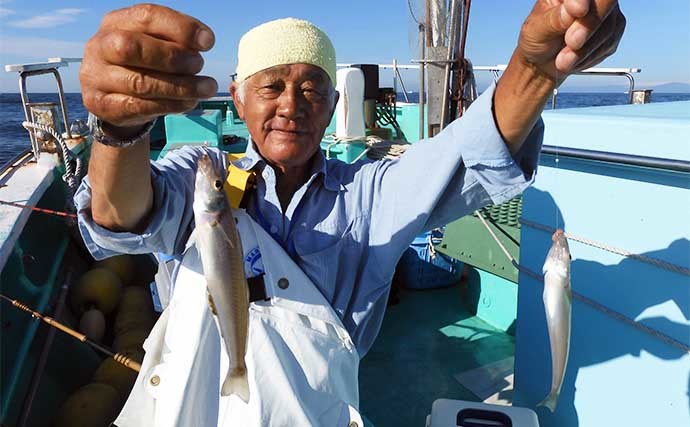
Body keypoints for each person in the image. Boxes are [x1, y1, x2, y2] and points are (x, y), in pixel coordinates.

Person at [76, 1, 625, 425]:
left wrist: (534, 70)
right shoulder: (206, 174)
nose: (292, 105)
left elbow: (463, 154)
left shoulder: (369, 194)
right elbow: (125, 213)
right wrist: (120, 129)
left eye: (312, 88)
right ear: (238, 100)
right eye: (271, 86)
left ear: (334, 107)